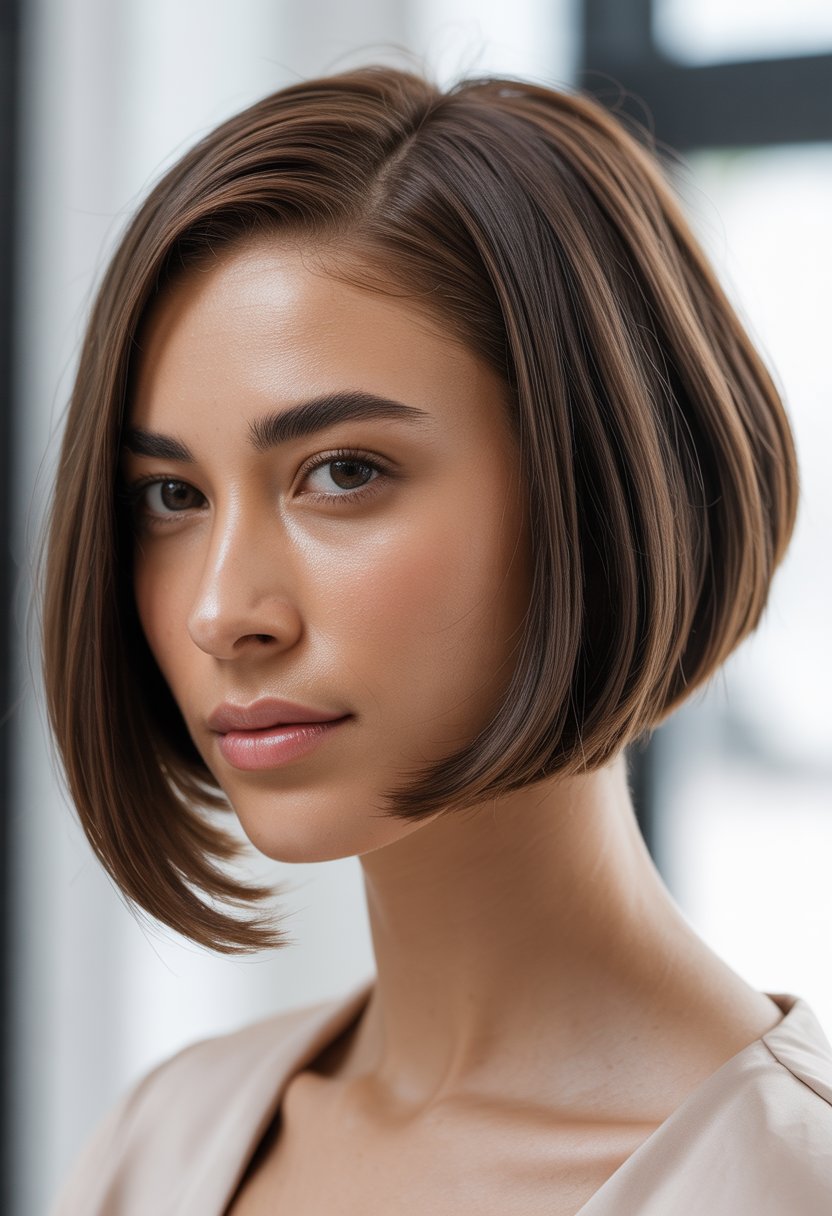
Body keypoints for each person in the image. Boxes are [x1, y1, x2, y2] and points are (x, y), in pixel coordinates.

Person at [42, 64, 831, 1215]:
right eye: (171, 496)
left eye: (343, 472)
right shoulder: (162, 1140)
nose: (222, 611)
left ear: (602, 489)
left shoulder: (780, 1183)